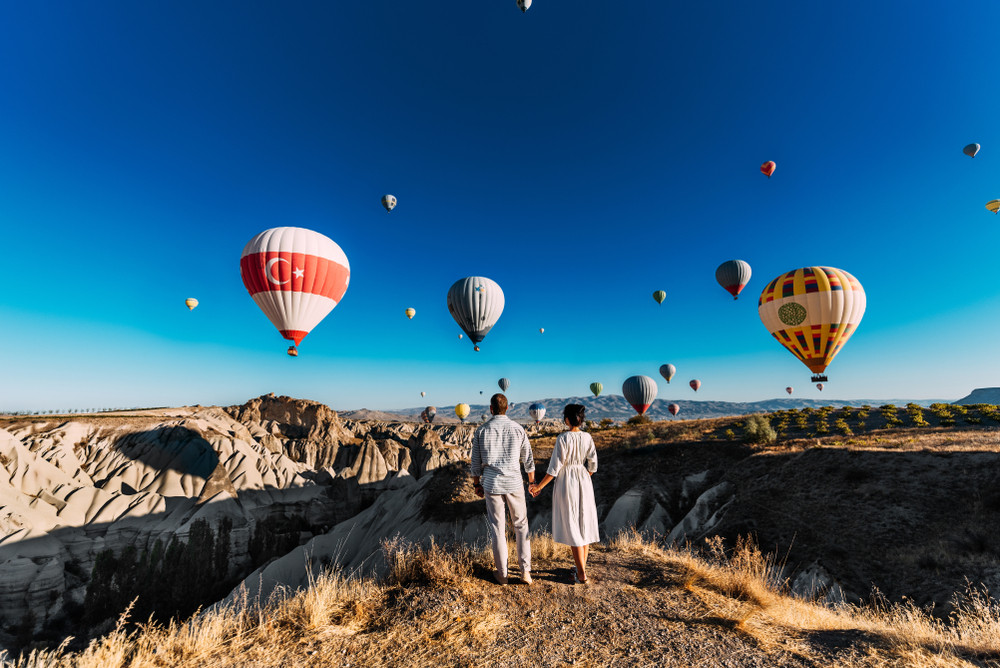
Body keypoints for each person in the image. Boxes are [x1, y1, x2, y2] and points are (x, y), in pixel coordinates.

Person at [529, 404, 599, 584]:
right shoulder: (588, 437)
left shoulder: (563, 438)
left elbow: (554, 469)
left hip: (567, 481)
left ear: (567, 419)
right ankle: (581, 567)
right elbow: (592, 465)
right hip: (584, 480)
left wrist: (538, 487)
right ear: (581, 419)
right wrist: (582, 475)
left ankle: (582, 573)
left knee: (573, 524)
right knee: (584, 523)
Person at [470, 393, 536, 585]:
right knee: (521, 525)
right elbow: (528, 459)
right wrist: (531, 482)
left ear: (491, 409)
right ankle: (525, 572)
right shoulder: (518, 429)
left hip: (492, 484)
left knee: (498, 528)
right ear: (507, 408)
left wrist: (477, 484)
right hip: (514, 482)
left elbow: (475, 463)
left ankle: (503, 574)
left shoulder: (481, 431)